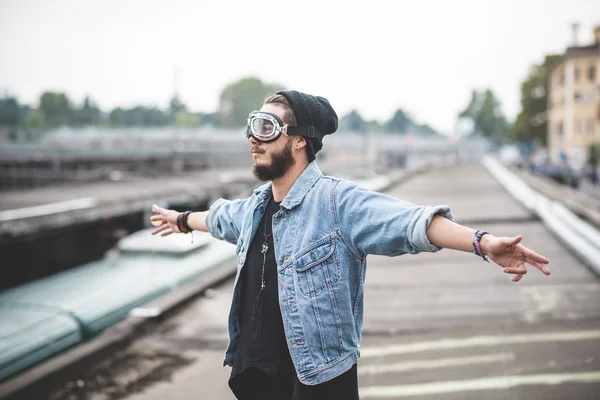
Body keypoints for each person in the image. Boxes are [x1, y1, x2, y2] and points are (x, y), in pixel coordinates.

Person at [150, 90, 551, 399]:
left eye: (267, 129)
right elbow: (220, 219)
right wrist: (183, 221)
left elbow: (412, 222)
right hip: (255, 379)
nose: (254, 140)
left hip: (318, 382)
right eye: (253, 127)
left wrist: (482, 243)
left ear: (298, 141)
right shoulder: (254, 208)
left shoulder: (337, 203)